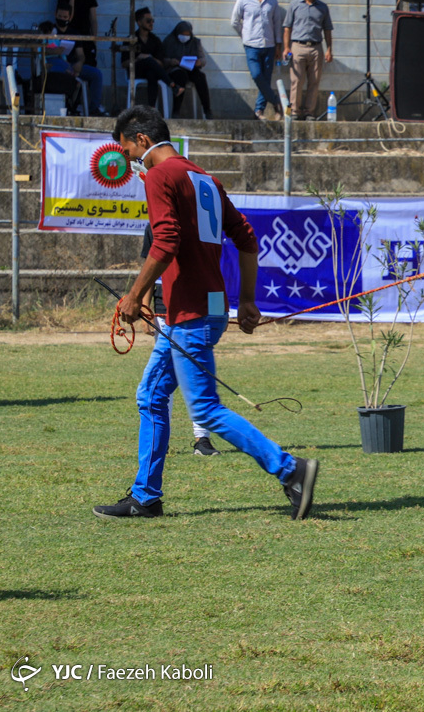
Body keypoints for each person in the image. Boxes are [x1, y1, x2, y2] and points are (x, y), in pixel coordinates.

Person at [93, 105, 320, 519]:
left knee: (205, 409)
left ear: (142, 141)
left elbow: (164, 243)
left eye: (128, 152)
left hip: (191, 311)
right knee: (150, 395)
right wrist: (247, 300)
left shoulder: (162, 175)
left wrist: (134, 295)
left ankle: (291, 469)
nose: (130, 162)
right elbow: (247, 239)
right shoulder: (204, 178)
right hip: (212, 307)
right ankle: (146, 497)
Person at [141, 224, 218, 456]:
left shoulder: (204, 226)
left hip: (198, 316)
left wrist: (215, 316)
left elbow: (215, 271)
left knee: (198, 377)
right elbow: (148, 268)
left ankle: (202, 439)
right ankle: (159, 441)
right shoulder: (154, 226)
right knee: (161, 384)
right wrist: (146, 309)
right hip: (166, 316)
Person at [231, 0, 284, 120]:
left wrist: (278, 46)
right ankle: (276, 102)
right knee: (257, 75)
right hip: (251, 46)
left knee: (266, 79)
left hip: (269, 45)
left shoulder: (272, 1)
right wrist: (245, 34)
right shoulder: (243, 0)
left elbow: (276, 23)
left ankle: (258, 111)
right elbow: (234, 21)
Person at [282, 0, 334, 121]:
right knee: (296, 81)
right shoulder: (294, 5)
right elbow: (287, 28)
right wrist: (286, 48)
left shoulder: (323, 7)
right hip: (298, 46)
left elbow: (327, 30)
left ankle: (309, 112)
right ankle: (294, 112)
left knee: (314, 81)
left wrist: (329, 49)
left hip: (316, 47)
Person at [47, 4, 105, 117]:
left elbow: (81, 55)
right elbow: (40, 50)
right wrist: (55, 52)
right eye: (60, 16)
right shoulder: (50, 31)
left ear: (69, 17)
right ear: (55, 15)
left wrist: (80, 63)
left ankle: (94, 108)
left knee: (96, 74)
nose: (62, 19)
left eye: (65, 17)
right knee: (61, 66)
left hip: (73, 65)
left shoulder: (74, 33)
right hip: (57, 65)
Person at [126, 7, 186, 110]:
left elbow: (161, 63)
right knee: (148, 60)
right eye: (148, 21)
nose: (151, 23)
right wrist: (139, 58)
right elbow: (124, 63)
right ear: (139, 23)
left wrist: (149, 58)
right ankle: (172, 85)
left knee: (152, 73)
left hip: (152, 71)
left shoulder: (155, 40)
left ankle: (152, 108)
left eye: (152, 20)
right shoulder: (131, 39)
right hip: (136, 70)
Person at [160, 21, 212, 120]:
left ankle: (207, 110)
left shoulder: (195, 42)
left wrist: (199, 62)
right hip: (175, 69)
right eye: (182, 34)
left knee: (200, 77)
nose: (185, 37)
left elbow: (203, 59)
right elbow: (162, 59)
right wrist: (171, 61)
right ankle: (176, 111)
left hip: (190, 68)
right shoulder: (169, 41)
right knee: (180, 76)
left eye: (187, 35)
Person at [57, 0, 98, 67]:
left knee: (89, 64)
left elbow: (93, 19)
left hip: (85, 36)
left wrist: (94, 38)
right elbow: (68, 17)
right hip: (70, 37)